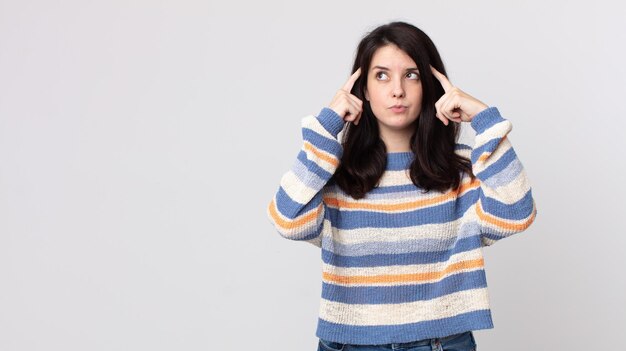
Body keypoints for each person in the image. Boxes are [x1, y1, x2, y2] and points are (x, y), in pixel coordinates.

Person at [267, 21, 537, 350]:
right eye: (381, 75)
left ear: (428, 85)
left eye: (411, 75)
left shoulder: (460, 169)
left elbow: (518, 212)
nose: (397, 90)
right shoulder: (332, 171)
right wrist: (327, 125)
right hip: (350, 344)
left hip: (440, 343)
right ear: (362, 89)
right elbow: (288, 220)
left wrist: (484, 116)